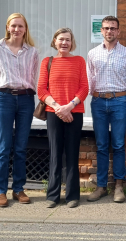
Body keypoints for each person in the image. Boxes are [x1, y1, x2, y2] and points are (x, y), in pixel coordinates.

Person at [0, 13, 39, 207]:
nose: (17, 29)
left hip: (26, 99)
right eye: (14, 26)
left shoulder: (32, 52)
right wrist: (3, 96)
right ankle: (1, 191)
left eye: (21, 26)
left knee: (20, 147)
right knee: (4, 146)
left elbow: (34, 78)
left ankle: (18, 189)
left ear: (26, 29)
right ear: (8, 27)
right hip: (5, 98)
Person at [37, 28, 89, 208]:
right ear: (55, 41)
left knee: (73, 154)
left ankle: (73, 196)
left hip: (74, 112)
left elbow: (84, 88)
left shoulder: (79, 61)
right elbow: (42, 90)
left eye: (68, 40)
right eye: (61, 39)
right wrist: (59, 108)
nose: (64, 43)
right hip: (54, 113)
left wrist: (69, 107)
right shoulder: (47, 62)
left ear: (71, 42)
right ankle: (52, 196)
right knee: (55, 154)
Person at [86, 16, 126, 203]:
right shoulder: (92, 54)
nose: (109, 31)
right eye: (106, 28)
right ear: (101, 31)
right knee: (101, 145)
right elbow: (89, 79)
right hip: (98, 102)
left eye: (113, 28)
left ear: (118, 31)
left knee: (119, 144)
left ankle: (119, 186)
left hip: (119, 101)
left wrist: (123, 96)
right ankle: (101, 186)